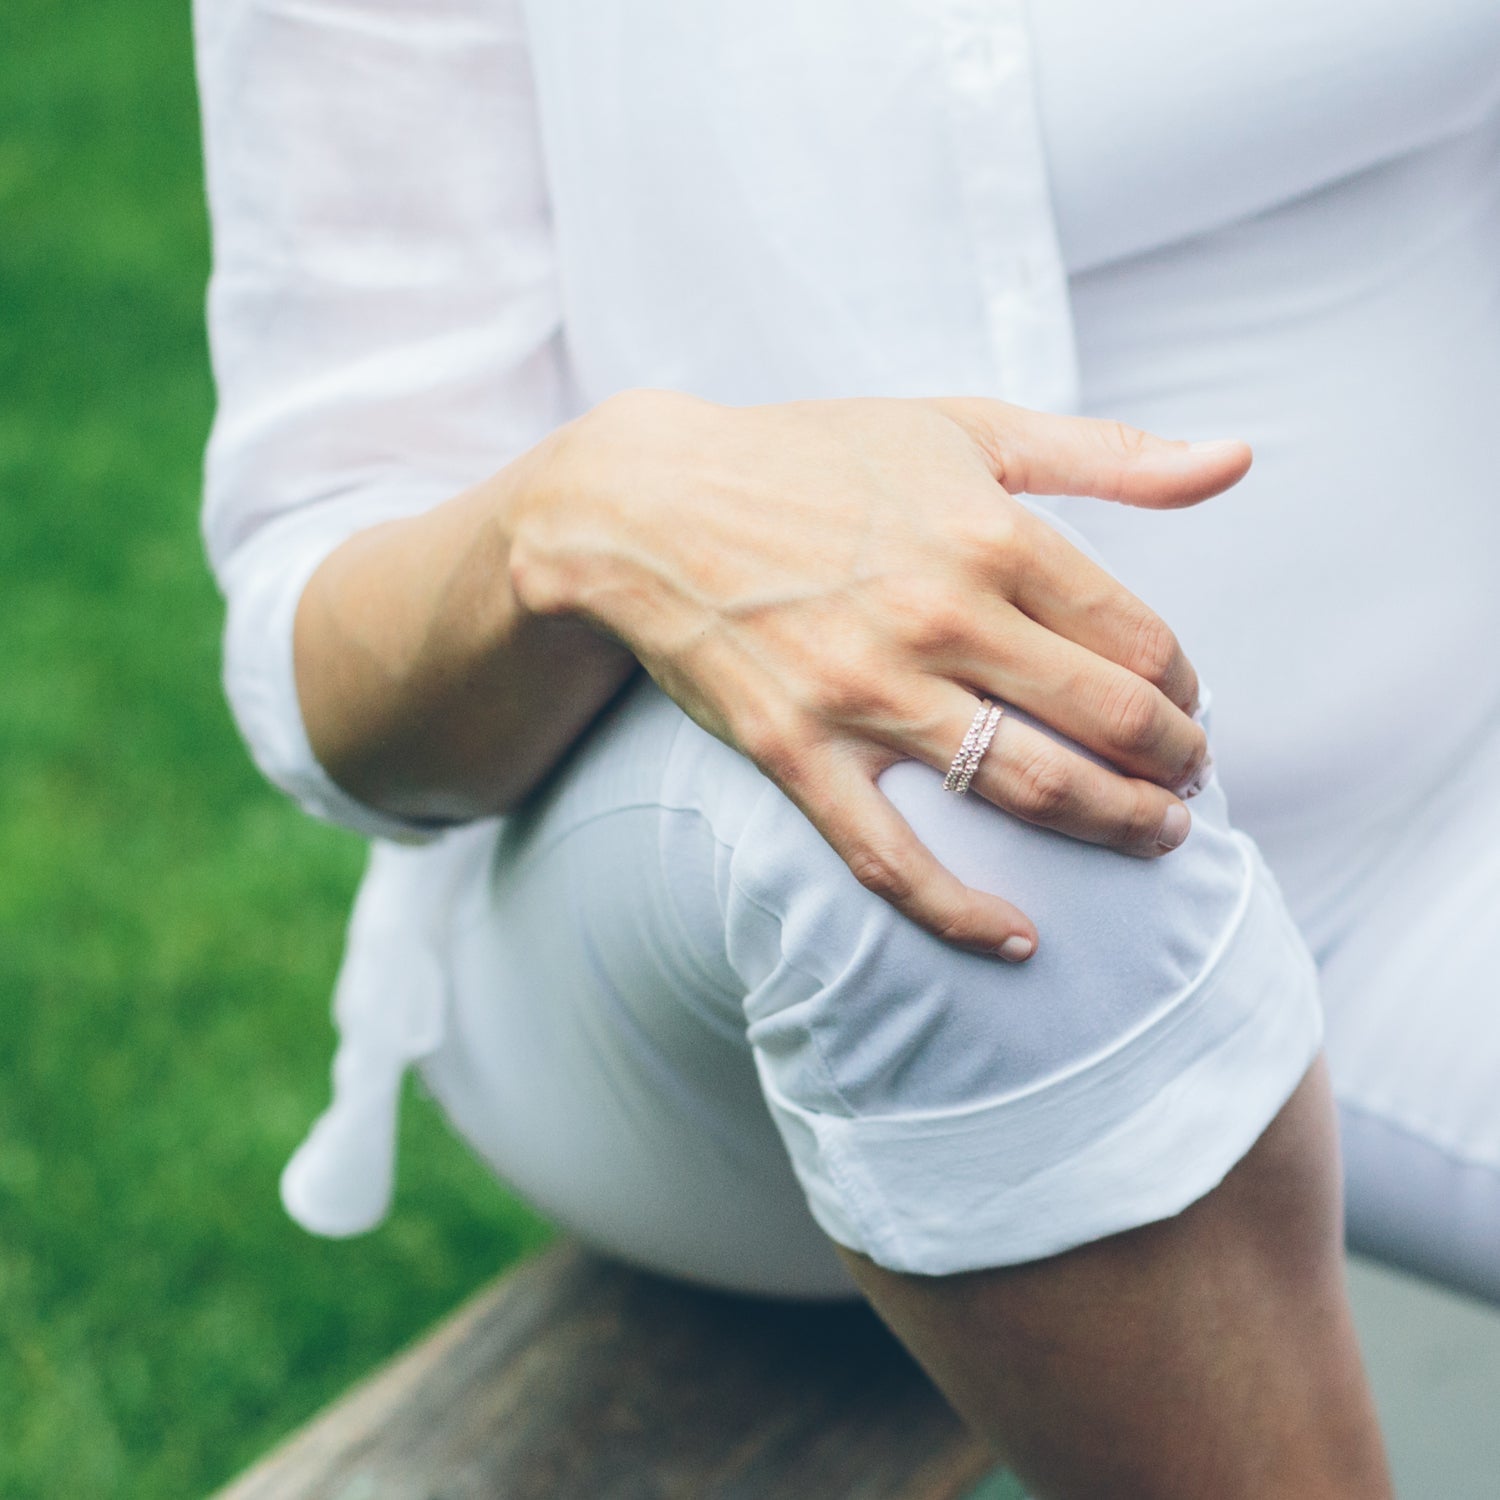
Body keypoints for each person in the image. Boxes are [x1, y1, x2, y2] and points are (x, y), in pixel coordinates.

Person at [193, 0, 1500, 1493]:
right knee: (966, 777)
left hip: (1449, 815)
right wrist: (592, 505)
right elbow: (334, 694)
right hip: (717, 933)